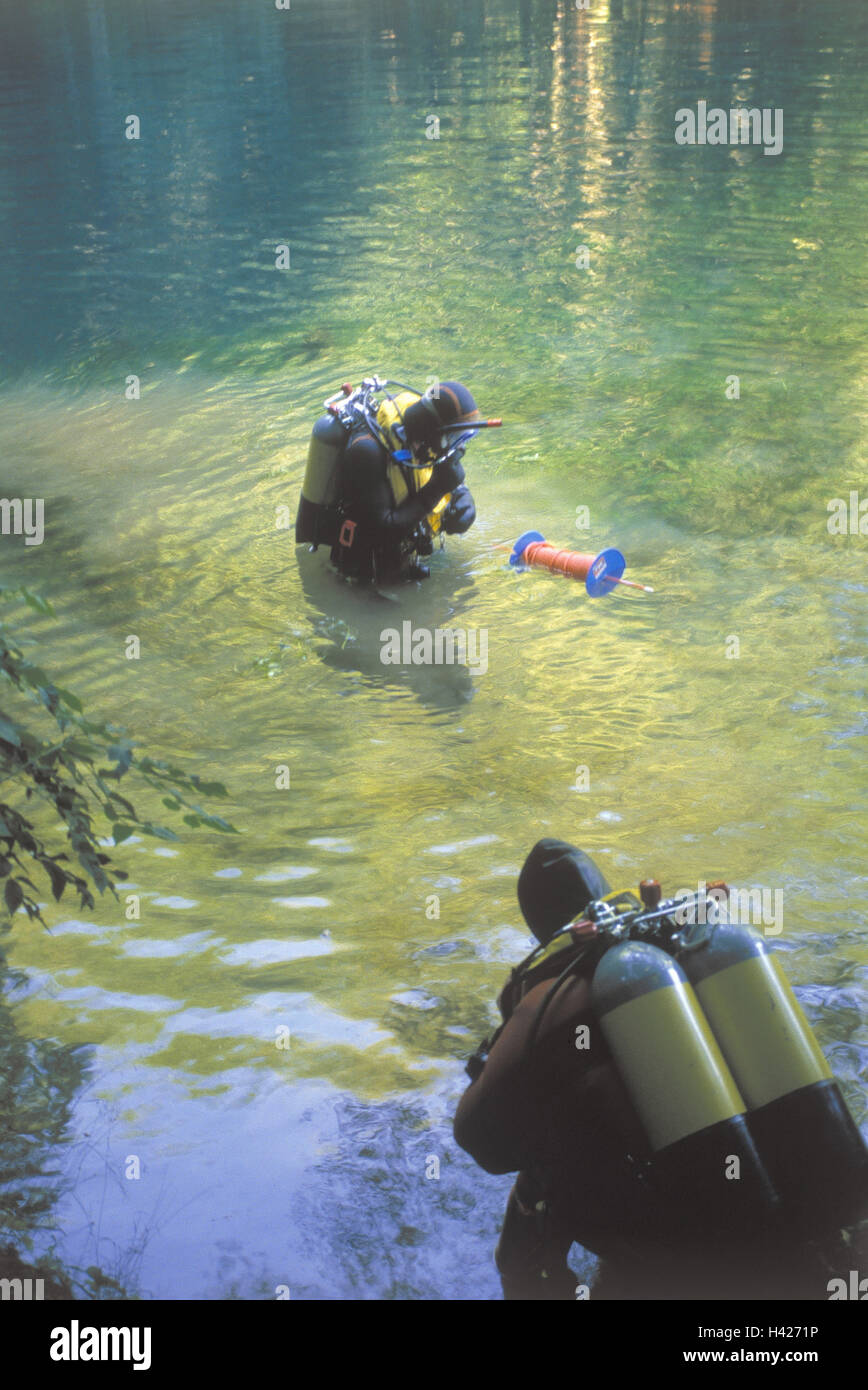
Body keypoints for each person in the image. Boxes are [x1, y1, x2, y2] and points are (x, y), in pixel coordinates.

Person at [454, 838, 868, 1301]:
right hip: (827, 1215)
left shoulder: (549, 999)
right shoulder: (688, 946)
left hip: (697, 1251)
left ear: (541, 928)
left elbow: (481, 1141)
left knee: (540, 1178)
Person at [296, 377, 497, 584]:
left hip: (405, 553)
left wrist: (462, 496)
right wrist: (438, 487)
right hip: (360, 575)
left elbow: (444, 472)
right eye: (454, 438)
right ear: (432, 430)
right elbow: (385, 530)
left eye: (463, 437)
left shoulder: (427, 441)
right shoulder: (367, 451)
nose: (455, 447)